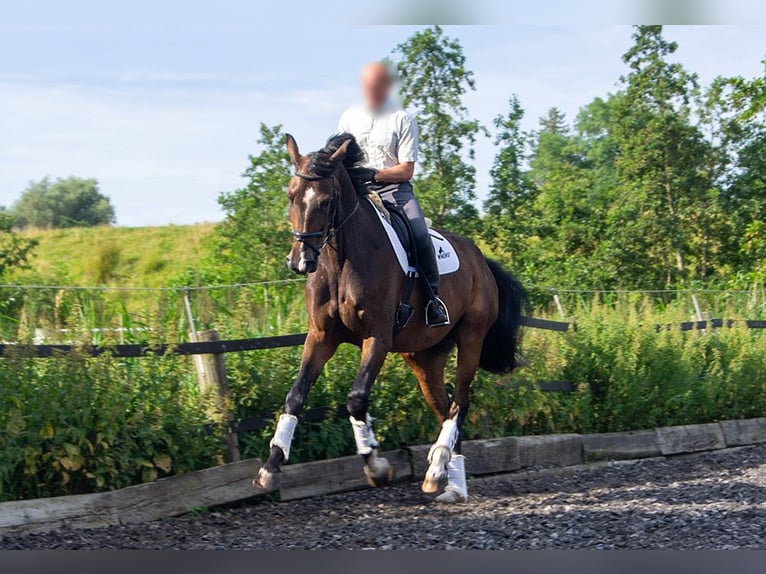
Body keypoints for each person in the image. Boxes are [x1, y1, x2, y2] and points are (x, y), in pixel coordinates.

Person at [338, 62, 450, 327]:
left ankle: (433, 300)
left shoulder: (403, 119)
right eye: (367, 86)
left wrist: (375, 174)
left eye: (376, 86)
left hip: (394, 191)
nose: (371, 91)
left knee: (420, 234)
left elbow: (406, 169)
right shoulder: (348, 118)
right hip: (357, 193)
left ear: (387, 86)